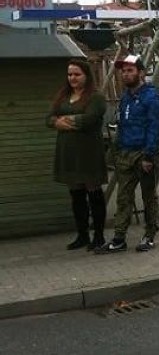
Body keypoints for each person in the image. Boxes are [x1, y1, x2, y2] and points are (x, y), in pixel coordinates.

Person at [96, 54, 159, 254]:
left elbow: (154, 127)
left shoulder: (151, 98)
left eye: (130, 70)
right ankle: (119, 238)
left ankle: (149, 235)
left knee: (148, 196)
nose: (125, 74)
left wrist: (149, 156)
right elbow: (123, 126)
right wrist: (118, 151)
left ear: (141, 73)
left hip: (144, 154)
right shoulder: (126, 97)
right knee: (123, 197)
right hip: (126, 154)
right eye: (123, 71)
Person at [47, 59, 108, 250]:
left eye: (76, 74)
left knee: (94, 193)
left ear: (86, 76)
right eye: (69, 74)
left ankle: (98, 235)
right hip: (68, 152)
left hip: (88, 152)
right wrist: (55, 121)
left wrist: (63, 120)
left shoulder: (96, 97)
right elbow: (49, 118)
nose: (72, 78)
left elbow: (90, 118)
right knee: (76, 196)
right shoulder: (63, 96)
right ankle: (82, 235)